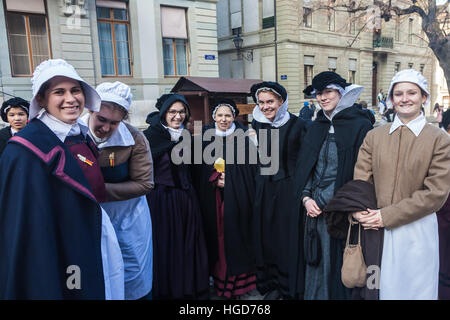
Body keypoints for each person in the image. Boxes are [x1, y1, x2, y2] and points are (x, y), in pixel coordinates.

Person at [0, 59, 124, 299]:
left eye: (75, 90)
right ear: (41, 100)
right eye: (59, 92)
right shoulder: (24, 150)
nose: (70, 99)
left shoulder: (80, 135)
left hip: (91, 237)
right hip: (57, 251)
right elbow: (24, 228)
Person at [352, 69, 450, 300]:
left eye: (412, 93)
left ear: (424, 97)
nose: (405, 99)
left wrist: (388, 215)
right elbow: (361, 180)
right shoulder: (374, 136)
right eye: (399, 94)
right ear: (391, 99)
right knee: (381, 289)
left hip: (418, 231)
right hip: (376, 229)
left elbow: (435, 193)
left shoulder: (439, 139)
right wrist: (362, 211)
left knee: (416, 291)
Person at [292, 71, 373, 300]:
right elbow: (306, 166)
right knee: (313, 259)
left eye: (328, 92)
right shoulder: (315, 125)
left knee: (335, 263)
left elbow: (359, 172)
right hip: (311, 208)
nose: (322, 98)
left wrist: (326, 200)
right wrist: (306, 197)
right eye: (319, 93)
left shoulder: (359, 125)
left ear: (341, 92)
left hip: (339, 209)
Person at [81, 81, 154, 300]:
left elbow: (145, 183)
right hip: (87, 217)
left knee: (132, 272)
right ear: (91, 110)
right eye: (101, 119)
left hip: (128, 218)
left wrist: (97, 191)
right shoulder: (74, 134)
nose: (105, 128)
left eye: (114, 123)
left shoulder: (135, 139)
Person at [143, 93, 209, 299]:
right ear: (164, 113)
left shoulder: (187, 135)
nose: (178, 116)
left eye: (182, 112)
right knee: (166, 245)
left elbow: (194, 168)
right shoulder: (150, 137)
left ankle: (187, 287)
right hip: (161, 200)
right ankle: (168, 290)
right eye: (173, 112)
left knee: (187, 245)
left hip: (186, 199)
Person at [194, 99, 258, 299]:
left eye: (228, 115)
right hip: (212, 201)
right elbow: (197, 171)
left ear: (234, 117)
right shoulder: (203, 139)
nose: (223, 119)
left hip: (238, 201)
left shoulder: (243, 139)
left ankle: (240, 285)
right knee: (218, 240)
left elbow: (251, 171)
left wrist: (232, 181)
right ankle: (220, 281)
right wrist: (213, 178)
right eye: (220, 115)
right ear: (213, 117)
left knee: (237, 239)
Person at [250, 81, 307, 299]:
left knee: (286, 238)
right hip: (264, 189)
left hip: (288, 191)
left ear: (281, 101)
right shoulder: (258, 125)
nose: (265, 106)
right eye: (261, 102)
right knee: (267, 237)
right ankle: (271, 285)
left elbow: (305, 161)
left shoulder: (299, 125)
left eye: (270, 101)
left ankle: (289, 287)